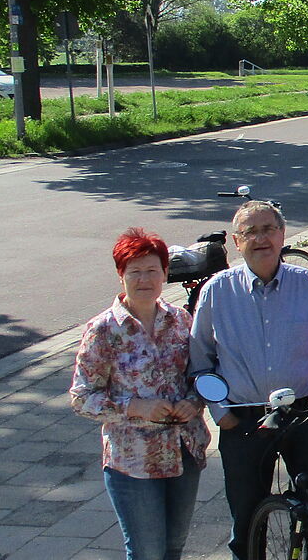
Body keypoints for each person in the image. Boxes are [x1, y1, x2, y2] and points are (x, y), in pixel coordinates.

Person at [189, 201, 308, 559]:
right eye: (250, 232)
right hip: (244, 420)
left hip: (306, 415)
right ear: (236, 241)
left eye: (268, 229)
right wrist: (221, 413)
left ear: (282, 234)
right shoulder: (217, 291)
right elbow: (199, 362)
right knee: (246, 520)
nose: (260, 238)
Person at [71, 228, 209, 560]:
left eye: (152, 271)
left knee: (174, 547)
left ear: (165, 274)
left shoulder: (180, 320)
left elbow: (199, 375)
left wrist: (194, 401)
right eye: (135, 272)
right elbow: (81, 397)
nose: (144, 279)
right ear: (121, 276)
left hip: (183, 453)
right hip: (133, 461)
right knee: (147, 552)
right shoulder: (103, 330)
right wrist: (136, 407)